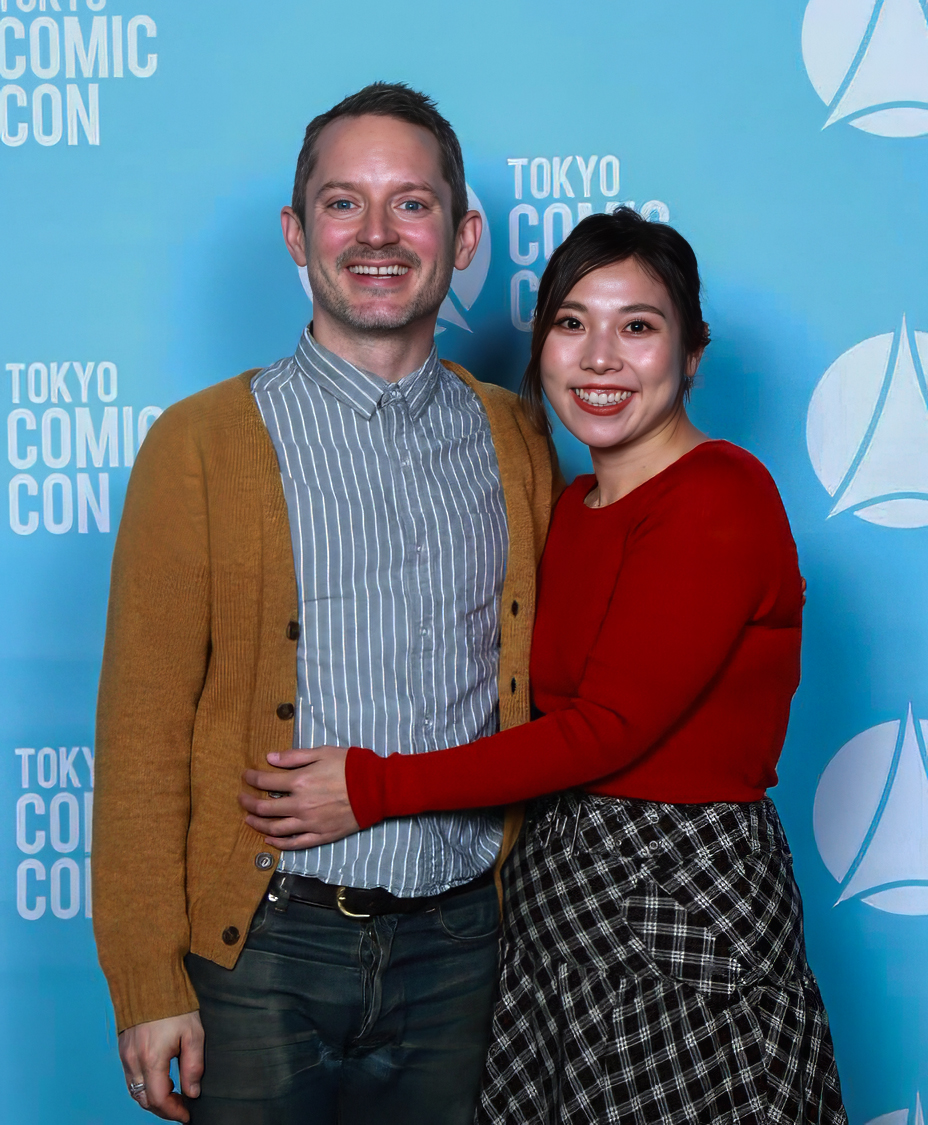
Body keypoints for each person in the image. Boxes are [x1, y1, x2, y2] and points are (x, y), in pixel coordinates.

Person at [246, 209, 849, 1124]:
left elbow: (605, 730)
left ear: (691, 354)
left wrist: (373, 786)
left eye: (637, 326)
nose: (600, 357)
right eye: (572, 322)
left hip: (677, 897)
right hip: (557, 898)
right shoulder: (574, 503)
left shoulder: (719, 496)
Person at [92, 82, 556, 1125]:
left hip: (465, 950)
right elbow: (140, 731)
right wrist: (147, 981)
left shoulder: (520, 439)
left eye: (412, 203)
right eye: (344, 202)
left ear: (463, 236)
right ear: (298, 234)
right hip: (262, 946)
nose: (378, 233)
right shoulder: (200, 444)